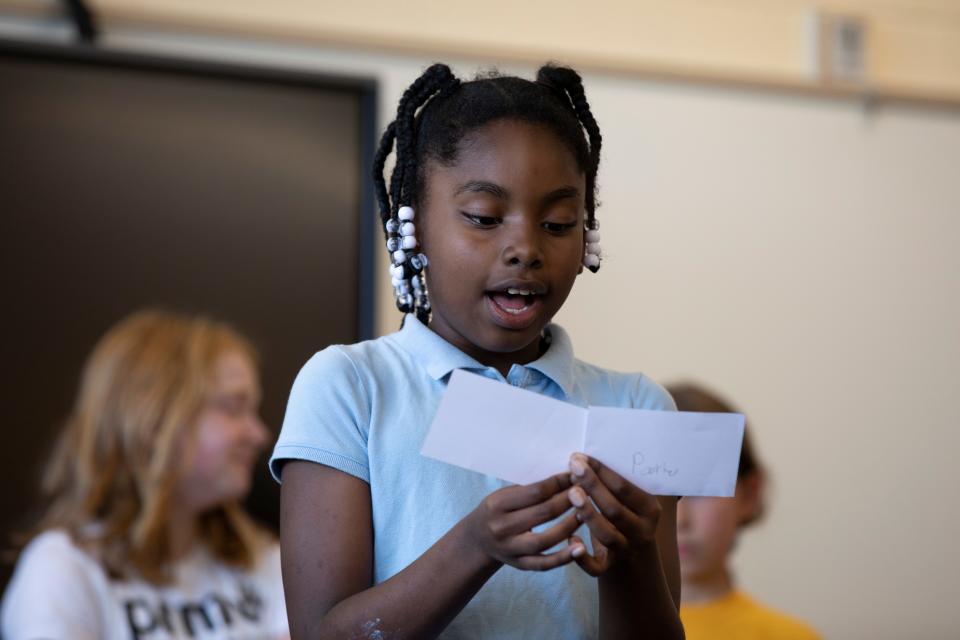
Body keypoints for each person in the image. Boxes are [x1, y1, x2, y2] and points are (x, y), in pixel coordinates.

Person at [272, 64, 683, 639]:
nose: (525, 248)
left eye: (559, 223)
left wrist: (632, 558)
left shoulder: (634, 406)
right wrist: (474, 546)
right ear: (411, 228)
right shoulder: (349, 387)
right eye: (484, 218)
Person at [1, 310, 289, 639]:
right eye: (233, 407)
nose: (260, 435)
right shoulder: (63, 570)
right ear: (154, 419)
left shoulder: (263, 560)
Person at [667, 383, 820, 640]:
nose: (680, 520)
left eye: (701, 489)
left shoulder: (791, 636)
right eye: (660, 493)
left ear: (750, 494)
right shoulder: (586, 629)